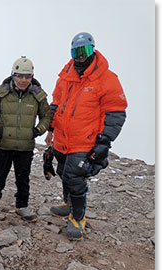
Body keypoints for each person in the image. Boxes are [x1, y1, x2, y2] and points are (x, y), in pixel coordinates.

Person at [45, 32, 127, 240]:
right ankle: (68, 204)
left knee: (74, 176)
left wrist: (105, 141)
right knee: (63, 171)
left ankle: (78, 217)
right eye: (76, 52)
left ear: (93, 50)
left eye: (85, 51)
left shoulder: (107, 78)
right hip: (63, 138)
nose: (81, 57)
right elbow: (56, 104)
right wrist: (50, 130)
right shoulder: (66, 75)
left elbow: (116, 112)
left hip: (85, 140)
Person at [0, 56, 53, 223]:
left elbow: (47, 116)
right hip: (3, 145)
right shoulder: (1, 92)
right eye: (20, 75)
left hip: (25, 147)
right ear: (13, 75)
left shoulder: (38, 96)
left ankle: (22, 207)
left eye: (27, 76)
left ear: (32, 77)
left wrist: (39, 130)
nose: (23, 80)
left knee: (23, 179)